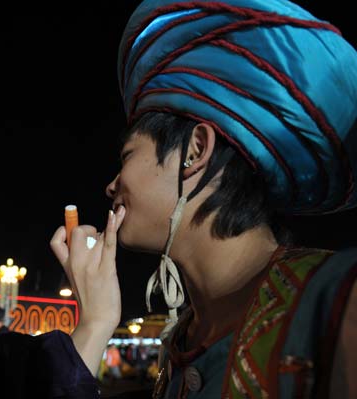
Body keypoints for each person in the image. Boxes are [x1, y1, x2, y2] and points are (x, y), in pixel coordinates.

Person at [51, 0, 357, 397]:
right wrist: (95, 322)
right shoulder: (181, 341)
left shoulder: (338, 299)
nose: (111, 186)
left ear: (195, 151)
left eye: (126, 156)